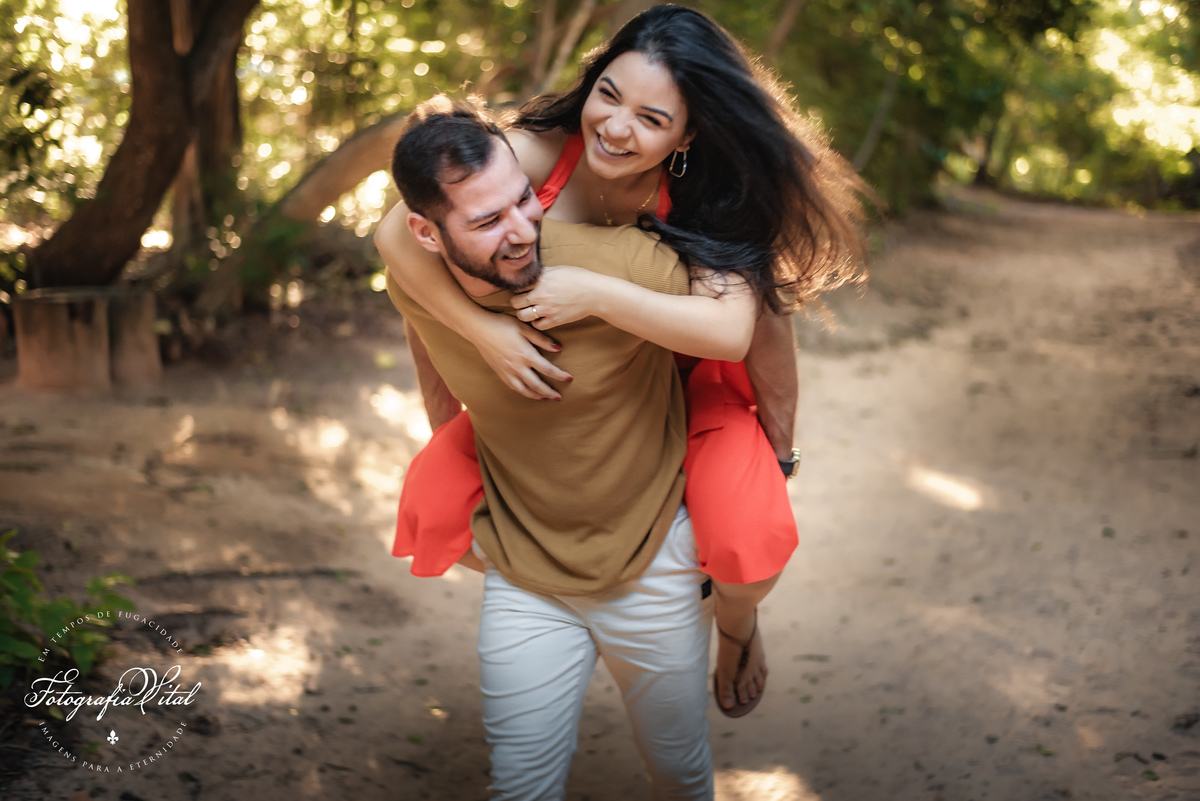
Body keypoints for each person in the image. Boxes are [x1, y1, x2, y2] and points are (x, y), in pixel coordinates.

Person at [375, 5, 869, 718]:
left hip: (690, 379)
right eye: (608, 94)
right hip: (566, 392)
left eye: (651, 118)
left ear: (687, 133)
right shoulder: (544, 150)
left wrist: (780, 453)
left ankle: (736, 627)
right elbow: (399, 230)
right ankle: (565, 613)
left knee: (744, 525)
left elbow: (743, 335)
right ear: (592, 82)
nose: (614, 126)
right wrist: (486, 338)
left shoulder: (712, 196)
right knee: (432, 499)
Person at [387, 94, 749, 799]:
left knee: (679, 772)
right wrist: (471, 373)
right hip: (527, 575)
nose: (524, 230)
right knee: (521, 785)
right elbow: (429, 360)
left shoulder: (618, 259)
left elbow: (741, 311)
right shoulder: (416, 284)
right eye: (489, 220)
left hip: (654, 563)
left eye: (525, 200)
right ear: (426, 236)